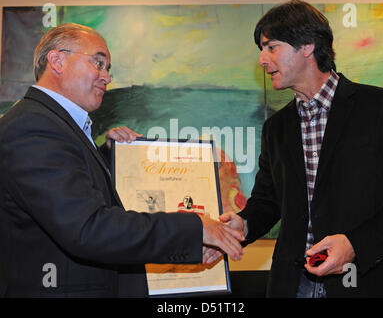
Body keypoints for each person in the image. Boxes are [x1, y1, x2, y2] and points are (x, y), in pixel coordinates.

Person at [0, 23, 244, 297]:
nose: (106, 77)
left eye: (108, 68)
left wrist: (110, 157)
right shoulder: (34, 127)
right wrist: (195, 227)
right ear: (57, 60)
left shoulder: (54, 124)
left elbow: (71, 196)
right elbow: (88, 228)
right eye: (98, 63)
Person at [204, 0, 383, 297]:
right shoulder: (276, 128)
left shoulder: (382, 107)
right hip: (292, 284)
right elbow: (268, 200)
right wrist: (243, 224)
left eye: (271, 47)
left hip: (365, 282)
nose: (261, 59)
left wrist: (354, 245)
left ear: (307, 45)